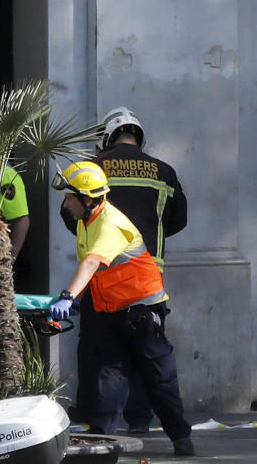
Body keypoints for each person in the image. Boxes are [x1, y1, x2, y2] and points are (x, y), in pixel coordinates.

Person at [50, 161, 194, 457]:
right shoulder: (85, 223)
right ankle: (102, 446)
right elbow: (91, 269)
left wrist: (68, 295)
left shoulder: (110, 223)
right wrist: (78, 298)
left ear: (88, 199)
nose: (65, 204)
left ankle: (181, 437)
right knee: (108, 380)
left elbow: (91, 262)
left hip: (142, 311)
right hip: (112, 311)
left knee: (158, 379)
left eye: (68, 197)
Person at [61, 106, 187, 432]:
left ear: (107, 137)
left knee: (100, 352)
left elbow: (69, 215)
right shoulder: (165, 171)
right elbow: (178, 220)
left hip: (102, 279)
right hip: (147, 280)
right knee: (147, 358)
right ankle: (140, 420)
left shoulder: (94, 168)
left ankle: (92, 417)